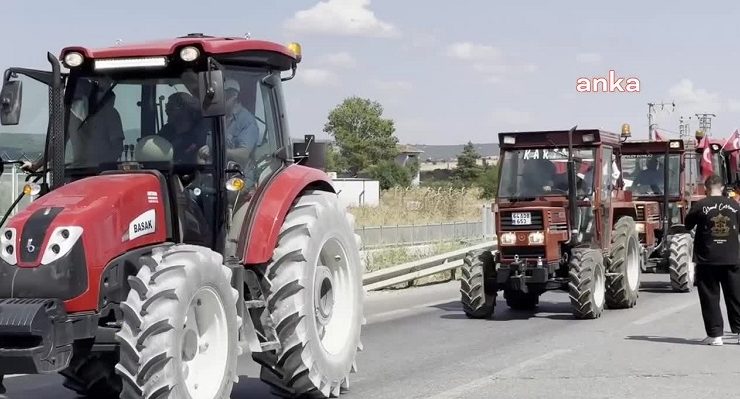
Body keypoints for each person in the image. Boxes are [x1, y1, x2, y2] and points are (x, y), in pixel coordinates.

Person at [684, 174, 740, 345]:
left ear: (706, 189)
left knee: (710, 296)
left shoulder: (700, 205)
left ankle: (715, 335)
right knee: (736, 295)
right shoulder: (734, 205)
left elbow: (687, 224)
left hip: (707, 258)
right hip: (731, 256)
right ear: (723, 188)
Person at [197, 78, 260, 168]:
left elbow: (243, 155)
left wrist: (215, 151)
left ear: (234, 96)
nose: (219, 100)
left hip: (237, 178)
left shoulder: (247, 121)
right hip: (213, 175)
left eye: (224, 97)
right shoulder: (215, 118)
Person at [158, 92, 208, 164]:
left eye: (171, 107)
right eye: (167, 107)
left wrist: (208, 152)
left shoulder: (202, 133)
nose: (166, 111)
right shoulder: (166, 131)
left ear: (185, 109)